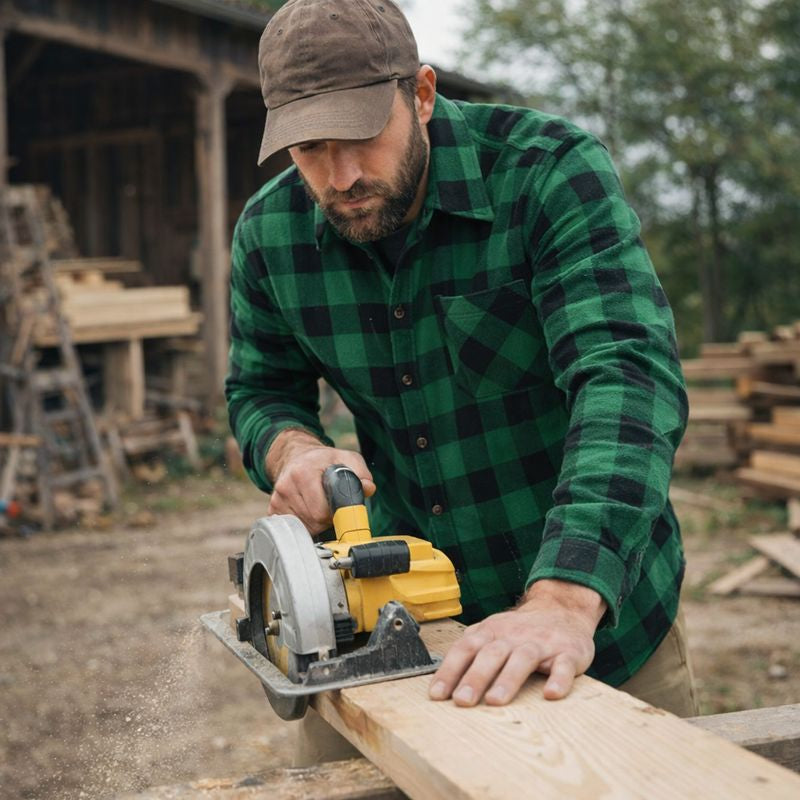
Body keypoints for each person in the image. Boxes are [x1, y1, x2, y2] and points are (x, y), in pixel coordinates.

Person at [226, 0, 696, 747]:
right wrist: (295, 451)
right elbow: (261, 388)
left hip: (600, 629)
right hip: (397, 631)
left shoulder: (547, 173)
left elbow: (626, 377)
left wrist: (564, 599)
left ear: (421, 94)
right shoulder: (267, 235)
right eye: (311, 149)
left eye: (362, 138)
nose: (342, 176)